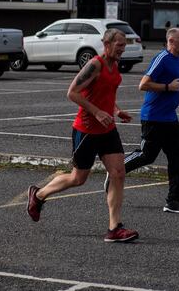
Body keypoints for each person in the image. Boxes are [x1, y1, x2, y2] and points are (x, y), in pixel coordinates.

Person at [27, 28, 139, 243]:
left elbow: (103, 94)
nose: (122, 49)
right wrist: (96, 112)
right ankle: (39, 195)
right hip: (87, 130)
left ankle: (114, 227)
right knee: (78, 178)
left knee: (118, 173)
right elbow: (72, 92)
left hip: (107, 129)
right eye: (119, 45)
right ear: (106, 44)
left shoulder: (114, 66)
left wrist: (115, 110)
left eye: (124, 46)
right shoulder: (94, 65)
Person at [112, 27, 179, 214]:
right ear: (171, 42)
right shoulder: (162, 58)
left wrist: (177, 94)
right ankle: (115, 170)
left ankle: (173, 201)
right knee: (147, 155)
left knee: (176, 159)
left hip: (170, 119)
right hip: (154, 119)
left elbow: (169, 87)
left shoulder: (177, 60)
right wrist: (168, 87)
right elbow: (143, 84)